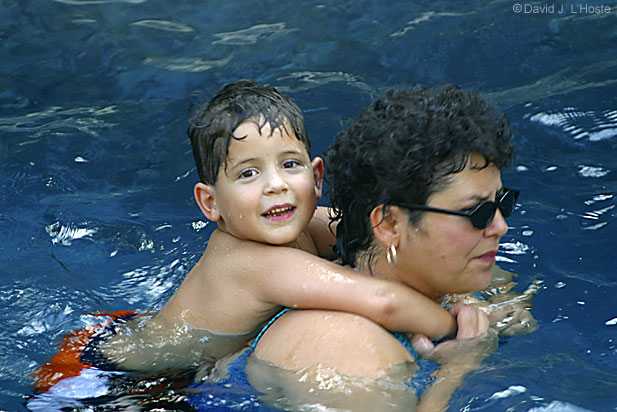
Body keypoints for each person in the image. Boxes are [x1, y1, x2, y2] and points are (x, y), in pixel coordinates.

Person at [32, 80, 460, 394]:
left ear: (316, 177)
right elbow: (384, 301)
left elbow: (377, 233)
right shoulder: (253, 261)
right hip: (104, 377)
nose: (276, 185)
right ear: (211, 203)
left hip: (145, 341)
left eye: (289, 165)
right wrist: (457, 326)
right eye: (248, 173)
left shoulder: (303, 225)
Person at [245, 85, 533, 411]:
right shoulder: (350, 360)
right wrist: (456, 371)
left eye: (502, 203)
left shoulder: (450, 274)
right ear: (390, 224)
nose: (500, 227)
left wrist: (502, 310)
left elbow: (507, 291)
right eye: (476, 213)